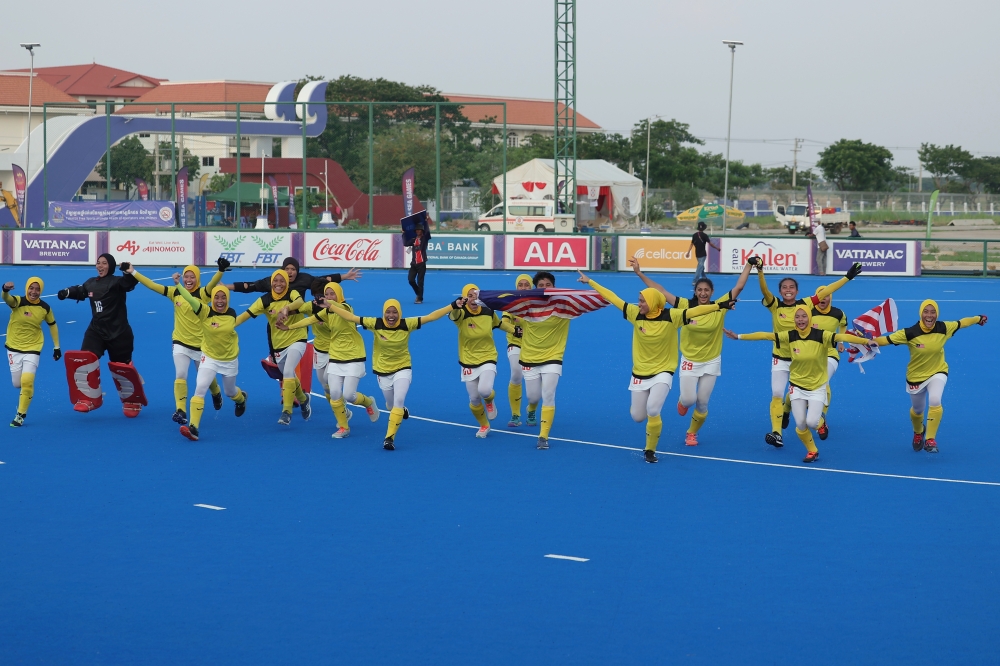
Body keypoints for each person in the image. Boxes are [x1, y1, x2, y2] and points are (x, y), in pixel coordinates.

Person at [578, 271, 732, 463]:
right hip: (640, 373)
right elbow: (612, 297)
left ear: (652, 302)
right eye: (639, 300)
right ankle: (646, 423)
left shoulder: (672, 316)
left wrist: (719, 305)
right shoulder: (634, 314)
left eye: (642, 301)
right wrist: (590, 281)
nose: (639, 304)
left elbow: (695, 312)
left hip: (663, 371)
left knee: (653, 409)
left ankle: (650, 450)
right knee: (637, 416)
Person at [629, 255, 754, 446]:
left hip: (711, 361)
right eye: (699, 290)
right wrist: (639, 273)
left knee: (702, 402)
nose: (703, 293)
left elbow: (739, 286)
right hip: (689, 360)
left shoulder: (719, 306)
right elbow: (661, 291)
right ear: (695, 291)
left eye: (706, 290)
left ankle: (692, 433)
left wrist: (749, 265)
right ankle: (683, 402)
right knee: (689, 399)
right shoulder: (684, 307)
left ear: (712, 292)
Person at [725, 306, 870, 463]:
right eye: (797, 317)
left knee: (812, 422)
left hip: (816, 387)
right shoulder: (790, 336)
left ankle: (821, 424)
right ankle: (812, 451)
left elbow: (845, 337)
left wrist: (866, 341)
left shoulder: (822, 335)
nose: (801, 320)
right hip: (797, 387)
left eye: (804, 316)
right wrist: (738, 336)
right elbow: (765, 335)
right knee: (800, 424)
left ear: (810, 318)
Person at [755, 258, 863, 447]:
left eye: (792, 287)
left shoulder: (805, 304)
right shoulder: (775, 304)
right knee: (777, 392)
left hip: (802, 357)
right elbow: (764, 291)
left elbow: (827, 292)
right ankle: (777, 433)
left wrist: (847, 277)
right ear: (780, 291)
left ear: (797, 291)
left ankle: (812, 418)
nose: (788, 290)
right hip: (780, 357)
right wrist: (760, 271)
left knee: (806, 389)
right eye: (784, 287)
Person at [324, 297, 453, 450]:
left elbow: (431, 317)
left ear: (400, 313)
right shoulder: (375, 323)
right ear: (383, 313)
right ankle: (400, 411)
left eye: (394, 312)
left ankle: (389, 438)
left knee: (399, 400)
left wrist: (452, 305)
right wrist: (331, 307)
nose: (391, 316)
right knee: (391, 406)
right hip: (383, 371)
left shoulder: (407, 324)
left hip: (403, 368)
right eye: (388, 312)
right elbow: (351, 317)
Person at [871, 301, 987, 453]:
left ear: (937, 314)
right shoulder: (909, 333)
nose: (929, 315)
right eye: (926, 311)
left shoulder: (944, 328)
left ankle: (930, 439)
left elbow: (962, 323)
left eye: (933, 312)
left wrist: (978, 318)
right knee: (918, 410)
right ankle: (918, 431)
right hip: (916, 377)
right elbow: (886, 340)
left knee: (935, 399)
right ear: (921, 313)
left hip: (938, 371)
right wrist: (869, 341)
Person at [127, 258, 229, 424]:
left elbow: (212, 284)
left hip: (201, 345)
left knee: (206, 379)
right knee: (181, 374)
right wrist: (133, 272)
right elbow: (152, 285)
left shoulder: (203, 294)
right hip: (180, 342)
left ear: (197, 278)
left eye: (192, 277)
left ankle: (216, 392)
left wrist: (221, 270)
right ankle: (181, 411)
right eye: (186, 276)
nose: (188, 280)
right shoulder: (175, 292)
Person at [277, 281, 380, 439]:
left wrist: (328, 303)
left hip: (354, 355)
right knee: (334, 391)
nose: (329, 297)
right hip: (336, 355)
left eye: (333, 294)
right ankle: (344, 427)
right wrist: (289, 327)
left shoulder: (346, 307)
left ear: (339, 295)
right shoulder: (326, 312)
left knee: (349, 395)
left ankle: (368, 402)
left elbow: (339, 309)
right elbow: (309, 320)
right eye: (327, 294)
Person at [57, 253, 147, 417]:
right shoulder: (91, 282)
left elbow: (128, 283)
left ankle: (132, 400)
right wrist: (67, 292)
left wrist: (128, 272)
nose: (100, 266)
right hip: (96, 330)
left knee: (122, 368)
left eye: (104, 263)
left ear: (111, 266)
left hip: (119, 332)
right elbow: (81, 291)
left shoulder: (117, 282)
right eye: (98, 263)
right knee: (84, 360)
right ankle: (88, 398)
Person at [234, 269, 311, 426]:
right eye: (275, 281)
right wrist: (225, 327)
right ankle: (303, 399)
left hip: (297, 337)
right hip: (279, 345)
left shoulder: (292, 293)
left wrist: (287, 308)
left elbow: (300, 303)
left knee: (288, 371)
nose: (278, 284)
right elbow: (244, 316)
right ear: (271, 283)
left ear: (287, 282)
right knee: (288, 375)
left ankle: (287, 412)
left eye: (282, 281)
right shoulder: (265, 300)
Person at [173, 284, 248, 441]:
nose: (220, 301)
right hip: (209, 357)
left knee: (230, 392)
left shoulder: (232, 314)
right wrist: (178, 285)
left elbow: (245, 316)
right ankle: (193, 428)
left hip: (229, 359)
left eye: (223, 297)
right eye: (216, 297)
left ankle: (241, 399)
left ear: (228, 299)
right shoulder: (204, 311)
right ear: (212, 298)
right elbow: (189, 298)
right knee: (200, 388)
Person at [449, 284, 516, 438]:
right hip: (468, 360)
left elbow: (499, 324)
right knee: (474, 399)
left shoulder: (488, 311)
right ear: (464, 298)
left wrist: (515, 330)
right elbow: (453, 314)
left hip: (488, 356)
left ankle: (489, 400)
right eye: (469, 296)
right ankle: (484, 425)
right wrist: (456, 306)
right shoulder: (461, 314)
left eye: (475, 295)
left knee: (484, 390)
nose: (473, 299)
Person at [517, 271, 572, 450]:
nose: (545, 288)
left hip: (553, 356)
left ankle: (543, 436)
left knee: (548, 394)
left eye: (548, 285)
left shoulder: (564, 306)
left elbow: (586, 304)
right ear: (535, 288)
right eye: (541, 285)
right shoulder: (526, 305)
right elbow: (508, 311)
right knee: (533, 396)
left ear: (554, 286)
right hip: (530, 356)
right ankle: (531, 408)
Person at [3, 277, 60, 427]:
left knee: (27, 382)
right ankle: (26, 391)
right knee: (17, 383)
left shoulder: (45, 308)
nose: (34, 292)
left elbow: (52, 324)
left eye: (37, 289)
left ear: (41, 290)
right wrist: (5, 290)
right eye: (31, 288)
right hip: (14, 348)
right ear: (27, 288)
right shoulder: (18, 302)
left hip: (33, 348)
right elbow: (6, 298)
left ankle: (20, 415)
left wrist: (56, 347)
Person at [228, 257, 361, 301]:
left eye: (293, 269)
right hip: (276, 316)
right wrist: (228, 287)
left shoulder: (304, 279)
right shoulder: (274, 280)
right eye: (287, 269)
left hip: (296, 317)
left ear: (297, 271)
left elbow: (323, 280)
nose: (290, 272)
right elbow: (250, 286)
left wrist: (344, 276)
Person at [810, 287, 848, 440]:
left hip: (830, 355)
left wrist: (841, 340)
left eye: (826, 296)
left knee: (823, 380)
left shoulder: (838, 313)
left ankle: (822, 415)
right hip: (810, 355)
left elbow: (843, 324)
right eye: (820, 295)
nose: (823, 298)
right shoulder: (808, 311)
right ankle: (787, 409)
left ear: (830, 298)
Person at [501, 274, 533, 427]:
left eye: (527, 284)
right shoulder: (511, 302)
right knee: (516, 373)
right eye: (520, 284)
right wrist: (515, 330)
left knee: (534, 382)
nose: (523, 287)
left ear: (531, 286)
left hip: (534, 345)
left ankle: (532, 409)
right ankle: (515, 414)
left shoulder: (538, 303)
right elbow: (504, 322)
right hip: (515, 343)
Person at [405, 225, 429, 304]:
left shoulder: (424, 239)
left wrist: (426, 222)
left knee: (420, 282)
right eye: (417, 230)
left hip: (421, 264)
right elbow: (406, 243)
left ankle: (419, 298)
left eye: (419, 230)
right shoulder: (413, 239)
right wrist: (404, 233)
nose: (418, 231)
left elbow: (428, 233)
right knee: (410, 280)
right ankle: (418, 294)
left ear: (422, 231)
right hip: (414, 264)